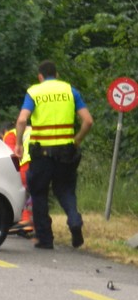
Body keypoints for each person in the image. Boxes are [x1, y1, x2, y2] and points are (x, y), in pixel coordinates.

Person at [15, 60, 93, 250]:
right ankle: (74, 220)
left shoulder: (34, 92)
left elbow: (22, 120)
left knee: (39, 193)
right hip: (66, 152)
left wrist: (18, 144)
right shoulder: (70, 91)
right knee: (65, 190)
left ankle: (45, 239)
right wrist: (76, 140)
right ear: (56, 75)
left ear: (40, 77)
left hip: (41, 153)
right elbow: (88, 121)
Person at [0, 123, 33, 235]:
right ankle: (32, 222)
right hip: (40, 165)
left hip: (24, 166)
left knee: (20, 194)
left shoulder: (10, 134)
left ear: (3, 132)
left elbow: (11, 155)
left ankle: (24, 221)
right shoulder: (33, 130)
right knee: (36, 195)